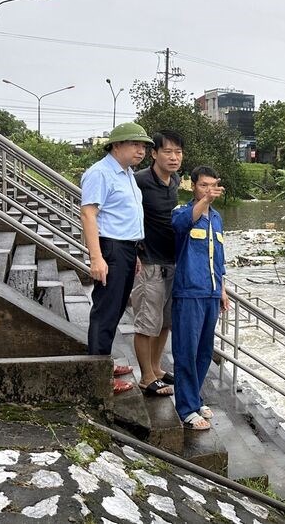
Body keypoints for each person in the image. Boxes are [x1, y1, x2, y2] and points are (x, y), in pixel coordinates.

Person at [80, 122, 153, 395]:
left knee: (117, 308)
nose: (141, 150)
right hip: (110, 248)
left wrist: (134, 252)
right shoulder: (100, 173)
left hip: (126, 248)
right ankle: (98, 378)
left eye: (143, 146)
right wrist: (96, 258)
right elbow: (88, 214)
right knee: (106, 310)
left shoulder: (127, 174)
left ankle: (104, 364)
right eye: (135, 144)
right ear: (117, 145)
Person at [171, 165, 229, 430]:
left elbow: (219, 258)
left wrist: (222, 290)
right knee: (186, 350)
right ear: (193, 186)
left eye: (212, 185)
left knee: (204, 351)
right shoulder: (182, 212)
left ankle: (195, 399)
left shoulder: (216, 218)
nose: (208, 190)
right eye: (203, 185)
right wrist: (204, 201)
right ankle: (186, 408)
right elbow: (181, 225)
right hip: (189, 291)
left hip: (211, 292)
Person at [131, 130, 184, 396]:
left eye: (178, 152)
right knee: (146, 322)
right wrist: (133, 251)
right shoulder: (139, 180)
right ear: (154, 154)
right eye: (168, 152)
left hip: (171, 260)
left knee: (164, 322)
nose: (174, 157)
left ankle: (156, 367)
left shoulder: (174, 180)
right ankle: (146, 377)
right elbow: (125, 213)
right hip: (148, 261)